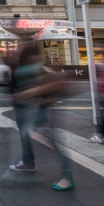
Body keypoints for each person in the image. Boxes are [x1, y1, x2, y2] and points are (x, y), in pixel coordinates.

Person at [9, 41, 75, 191]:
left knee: (55, 142)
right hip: (39, 111)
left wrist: (33, 91)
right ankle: (29, 162)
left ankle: (68, 177)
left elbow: (55, 83)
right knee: (31, 135)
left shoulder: (40, 69)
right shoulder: (30, 69)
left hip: (47, 112)